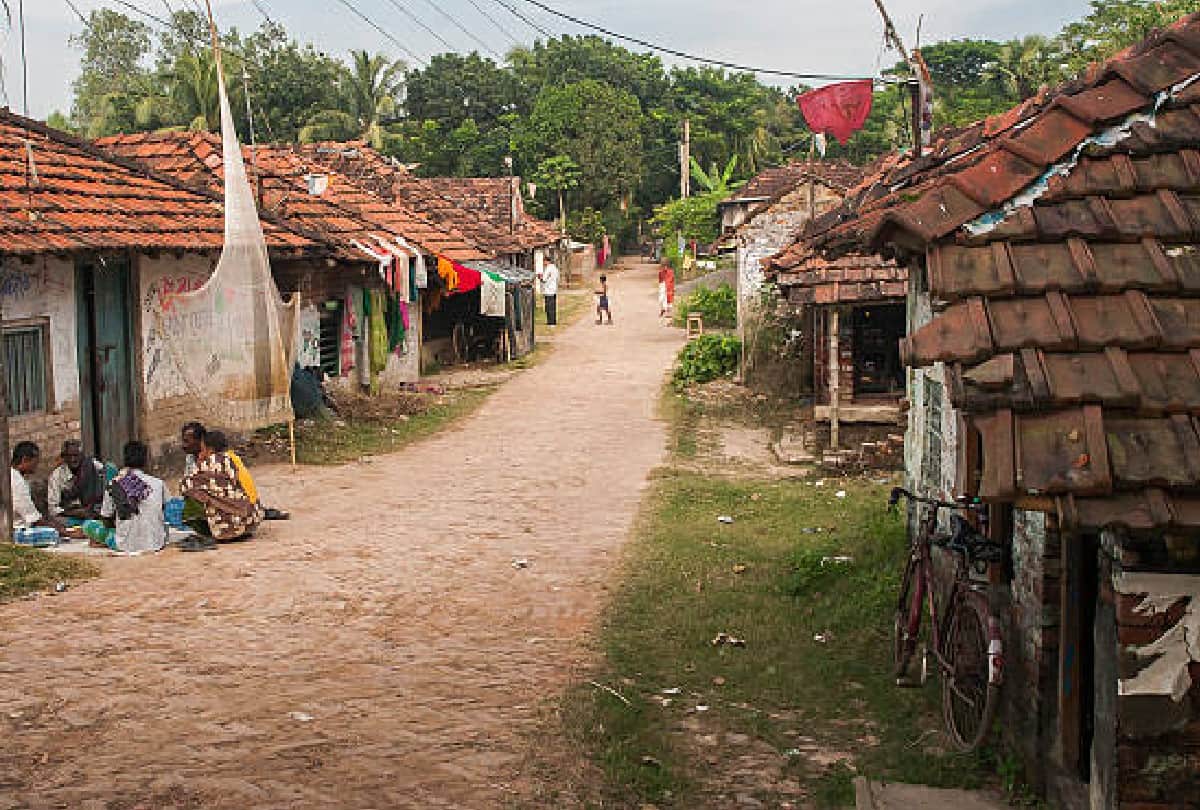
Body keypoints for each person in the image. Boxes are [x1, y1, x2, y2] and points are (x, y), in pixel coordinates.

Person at [182, 422, 287, 520]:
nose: (183, 445)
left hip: (240, 508)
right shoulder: (193, 458)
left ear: (201, 441)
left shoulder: (216, 462)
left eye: (187, 441)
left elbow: (190, 487)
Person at [181, 430, 262, 544]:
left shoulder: (210, 462)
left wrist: (200, 463)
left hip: (234, 525)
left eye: (202, 448)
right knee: (214, 492)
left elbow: (185, 486)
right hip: (253, 519)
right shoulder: (233, 458)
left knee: (192, 495)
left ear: (209, 450)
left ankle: (216, 529)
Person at [98, 441, 167, 554]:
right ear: (145, 460)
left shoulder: (114, 484)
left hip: (125, 545)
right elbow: (162, 511)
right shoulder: (158, 483)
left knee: (91, 526)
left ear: (125, 460)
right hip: (155, 543)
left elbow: (105, 518)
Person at [46, 440, 107, 520]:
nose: (73, 459)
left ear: (82, 455)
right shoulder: (56, 476)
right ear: (64, 457)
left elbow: (107, 473)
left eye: (76, 455)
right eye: (69, 456)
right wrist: (73, 513)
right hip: (69, 516)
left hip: (93, 512)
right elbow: (52, 508)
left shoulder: (92, 465)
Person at [10, 442, 61, 531]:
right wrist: (65, 532)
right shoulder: (17, 481)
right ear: (25, 460)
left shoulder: (12, 475)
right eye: (35, 462)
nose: (37, 466)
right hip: (18, 531)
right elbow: (33, 519)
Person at [537, 257, 560, 327]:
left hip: (548, 290)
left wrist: (539, 277)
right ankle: (553, 321)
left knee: (548, 307)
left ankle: (550, 322)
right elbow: (557, 278)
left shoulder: (548, 268)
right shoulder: (555, 268)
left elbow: (544, 279)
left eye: (544, 261)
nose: (543, 263)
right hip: (554, 289)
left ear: (547, 261)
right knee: (553, 307)